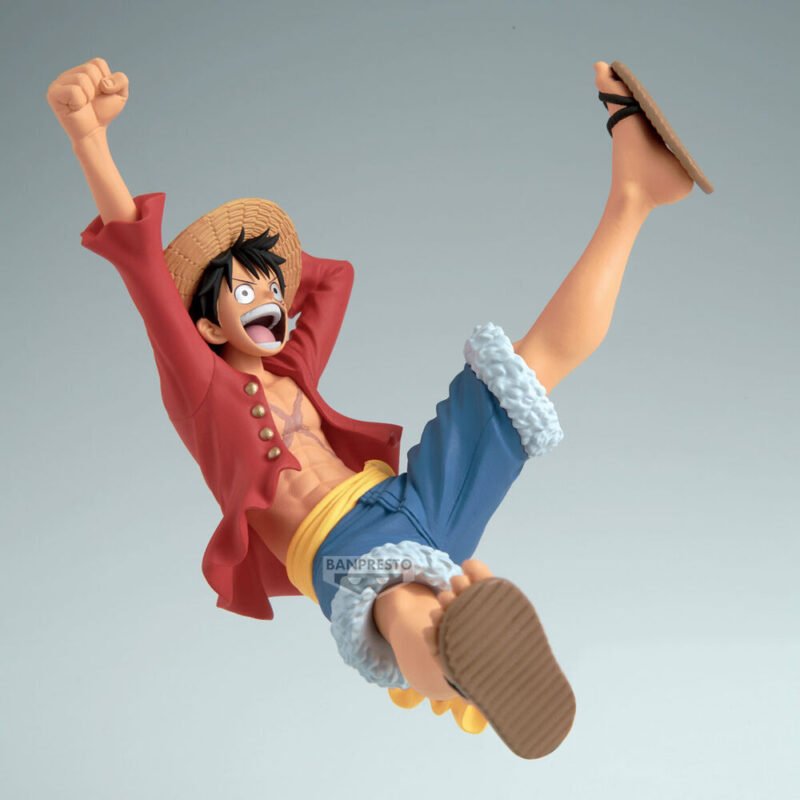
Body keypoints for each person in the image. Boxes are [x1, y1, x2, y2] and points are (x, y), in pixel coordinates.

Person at [47, 56, 710, 759]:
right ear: (205, 328)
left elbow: (335, 280)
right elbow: (147, 276)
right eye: (243, 296)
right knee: (397, 604)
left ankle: (633, 196)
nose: (268, 302)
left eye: (271, 289)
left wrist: (265, 261)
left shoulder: (293, 370)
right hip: (334, 544)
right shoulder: (200, 390)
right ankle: (453, 661)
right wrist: (89, 139)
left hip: (407, 499)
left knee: (524, 371)